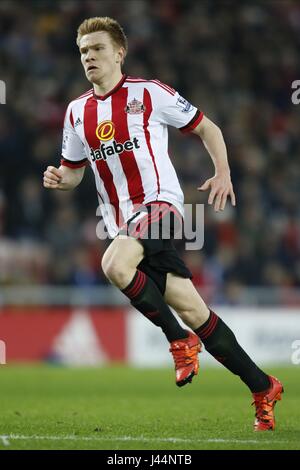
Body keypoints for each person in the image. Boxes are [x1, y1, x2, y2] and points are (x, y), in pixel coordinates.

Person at [43, 16, 283, 431]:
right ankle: (263, 387)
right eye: (83, 51)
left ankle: (178, 342)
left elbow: (208, 128)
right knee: (194, 310)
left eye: (97, 49)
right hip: (122, 223)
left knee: (114, 266)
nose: (89, 57)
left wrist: (223, 172)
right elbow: (74, 172)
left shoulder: (149, 93)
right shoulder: (76, 111)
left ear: (119, 52)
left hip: (160, 208)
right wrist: (59, 179)